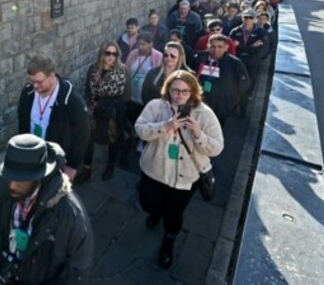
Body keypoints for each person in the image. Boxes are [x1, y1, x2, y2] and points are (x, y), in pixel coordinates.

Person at [136, 70, 223, 269]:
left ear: (193, 92)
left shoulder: (204, 114)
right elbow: (140, 129)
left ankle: (169, 241)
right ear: (168, 90)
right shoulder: (156, 106)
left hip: (184, 178)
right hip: (154, 171)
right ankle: (155, 213)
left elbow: (217, 148)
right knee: (148, 202)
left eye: (185, 91)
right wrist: (164, 126)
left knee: (174, 212)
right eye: (175, 90)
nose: (180, 95)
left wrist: (199, 134)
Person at [0, 134, 93, 284]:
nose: (12, 185)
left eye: (21, 178)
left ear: (39, 176)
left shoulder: (71, 217)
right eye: (9, 175)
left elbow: (76, 275)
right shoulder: (0, 190)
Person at [18, 54, 90, 181]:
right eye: (31, 81)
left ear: (52, 75)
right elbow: (22, 121)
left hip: (57, 162)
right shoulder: (27, 92)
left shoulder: (73, 102)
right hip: (33, 156)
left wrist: (73, 166)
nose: (34, 86)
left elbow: (83, 135)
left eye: (39, 82)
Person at [79, 41, 132, 182]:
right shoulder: (93, 68)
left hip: (114, 109)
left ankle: (110, 165)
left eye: (114, 54)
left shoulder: (123, 70)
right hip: (94, 108)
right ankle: (87, 167)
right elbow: (87, 89)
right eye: (108, 53)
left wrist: (107, 103)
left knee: (113, 139)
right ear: (102, 53)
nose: (111, 57)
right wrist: (94, 102)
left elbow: (127, 95)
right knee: (88, 138)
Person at [195, 34, 250, 124]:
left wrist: (230, 97)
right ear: (208, 46)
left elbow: (245, 83)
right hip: (201, 103)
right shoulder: (199, 59)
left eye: (220, 47)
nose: (216, 50)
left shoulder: (235, 63)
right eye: (213, 46)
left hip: (222, 107)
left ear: (226, 47)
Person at [125, 33, 163, 154]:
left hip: (147, 94)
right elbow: (126, 69)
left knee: (145, 118)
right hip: (132, 92)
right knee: (132, 116)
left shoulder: (157, 56)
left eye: (144, 44)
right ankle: (133, 135)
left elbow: (159, 74)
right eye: (139, 44)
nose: (141, 47)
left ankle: (143, 139)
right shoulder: (133, 54)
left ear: (151, 44)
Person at [141, 41, 193, 105]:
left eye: (173, 56)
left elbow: (192, 98)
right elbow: (145, 95)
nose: (169, 58)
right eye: (166, 55)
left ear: (180, 57)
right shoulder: (153, 73)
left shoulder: (188, 76)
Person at [229, 8, 267, 81]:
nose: (248, 19)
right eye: (246, 17)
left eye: (251, 17)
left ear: (255, 19)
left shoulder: (261, 32)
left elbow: (258, 49)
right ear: (242, 18)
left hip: (252, 62)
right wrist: (251, 47)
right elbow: (231, 47)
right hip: (237, 60)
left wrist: (240, 46)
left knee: (250, 81)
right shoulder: (234, 31)